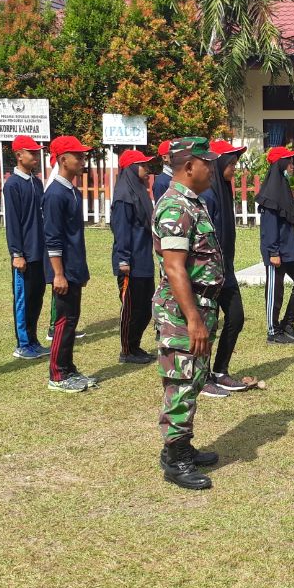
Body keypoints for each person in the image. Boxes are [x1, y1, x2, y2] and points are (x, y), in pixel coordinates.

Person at [153, 137, 224, 490]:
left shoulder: (193, 204)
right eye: (206, 162)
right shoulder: (175, 208)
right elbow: (175, 268)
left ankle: (183, 445)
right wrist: (193, 319)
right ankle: (175, 457)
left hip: (200, 306)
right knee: (181, 381)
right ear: (189, 166)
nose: (211, 168)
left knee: (193, 377)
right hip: (183, 312)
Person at [200, 139, 258, 397]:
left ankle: (220, 371)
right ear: (218, 162)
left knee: (235, 317)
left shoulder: (224, 190)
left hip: (227, 270)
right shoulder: (208, 194)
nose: (234, 168)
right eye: (231, 163)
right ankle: (201, 378)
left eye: (235, 163)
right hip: (209, 273)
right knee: (207, 325)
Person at [44, 135, 96, 393]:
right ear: (63, 160)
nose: (83, 159)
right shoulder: (55, 193)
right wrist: (58, 274)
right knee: (63, 322)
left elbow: (75, 235)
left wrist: (80, 269)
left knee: (72, 320)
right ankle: (57, 374)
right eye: (78, 155)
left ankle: (68, 366)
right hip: (62, 270)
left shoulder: (71, 190)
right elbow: (52, 237)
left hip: (74, 267)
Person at [110, 148, 160, 366]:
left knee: (145, 306)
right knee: (131, 308)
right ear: (131, 168)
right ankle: (126, 350)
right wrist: (123, 259)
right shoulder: (123, 196)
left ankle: (135, 345)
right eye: (143, 165)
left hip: (144, 260)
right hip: (129, 262)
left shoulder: (140, 191)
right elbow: (121, 230)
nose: (147, 170)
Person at [257, 145, 294, 344]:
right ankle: (273, 331)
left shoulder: (283, 185)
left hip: (290, 249)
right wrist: (273, 252)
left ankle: (287, 323)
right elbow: (269, 226)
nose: (292, 164)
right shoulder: (271, 191)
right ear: (280, 163)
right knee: (275, 290)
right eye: (289, 160)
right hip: (276, 251)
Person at [2, 134, 48, 360]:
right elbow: (13, 221)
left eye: (38, 152)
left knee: (36, 296)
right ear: (19, 155)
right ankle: (22, 343)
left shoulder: (37, 182)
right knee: (23, 298)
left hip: (39, 251)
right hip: (24, 254)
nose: (37, 157)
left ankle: (33, 338)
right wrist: (17, 253)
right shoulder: (12, 185)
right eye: (32, 153)